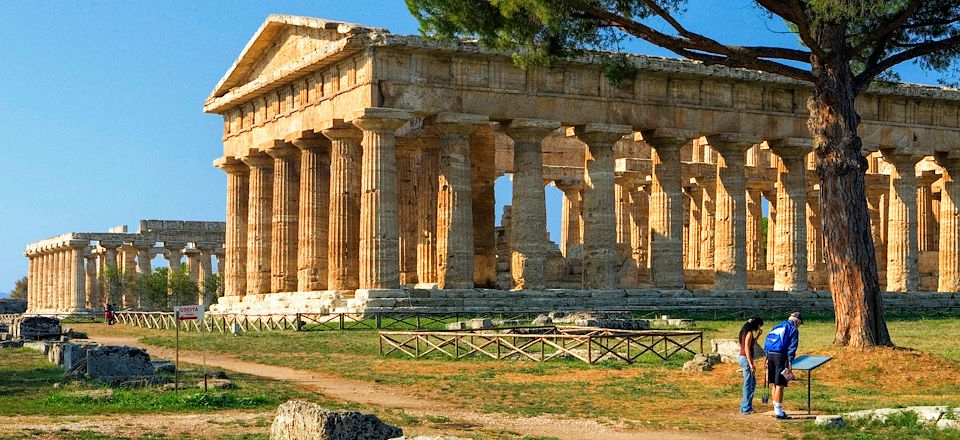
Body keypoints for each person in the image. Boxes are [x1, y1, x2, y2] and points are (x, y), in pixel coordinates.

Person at [763, 311, 803, 419]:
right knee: (780, 383)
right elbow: (792, 347)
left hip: (770, 355)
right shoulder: (793, 329)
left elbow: (768, 341)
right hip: (781, 356)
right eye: (800, 323)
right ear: (797, 321)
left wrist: (767, 357)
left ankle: (776, 408)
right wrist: (790, 361)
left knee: (774, 383)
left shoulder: (778, 326)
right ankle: (779, 412)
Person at [738, 316, 764, 415]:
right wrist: (751, 363)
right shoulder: (749, 333)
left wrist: (758, 336)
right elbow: (747, 349)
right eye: (759, 325)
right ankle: (746, 408)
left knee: (752, 383)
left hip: (743, 358)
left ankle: (745, 406)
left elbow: (752, 343)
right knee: (749, 384)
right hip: (746, 359)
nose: (759, 327)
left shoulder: (744, 332)